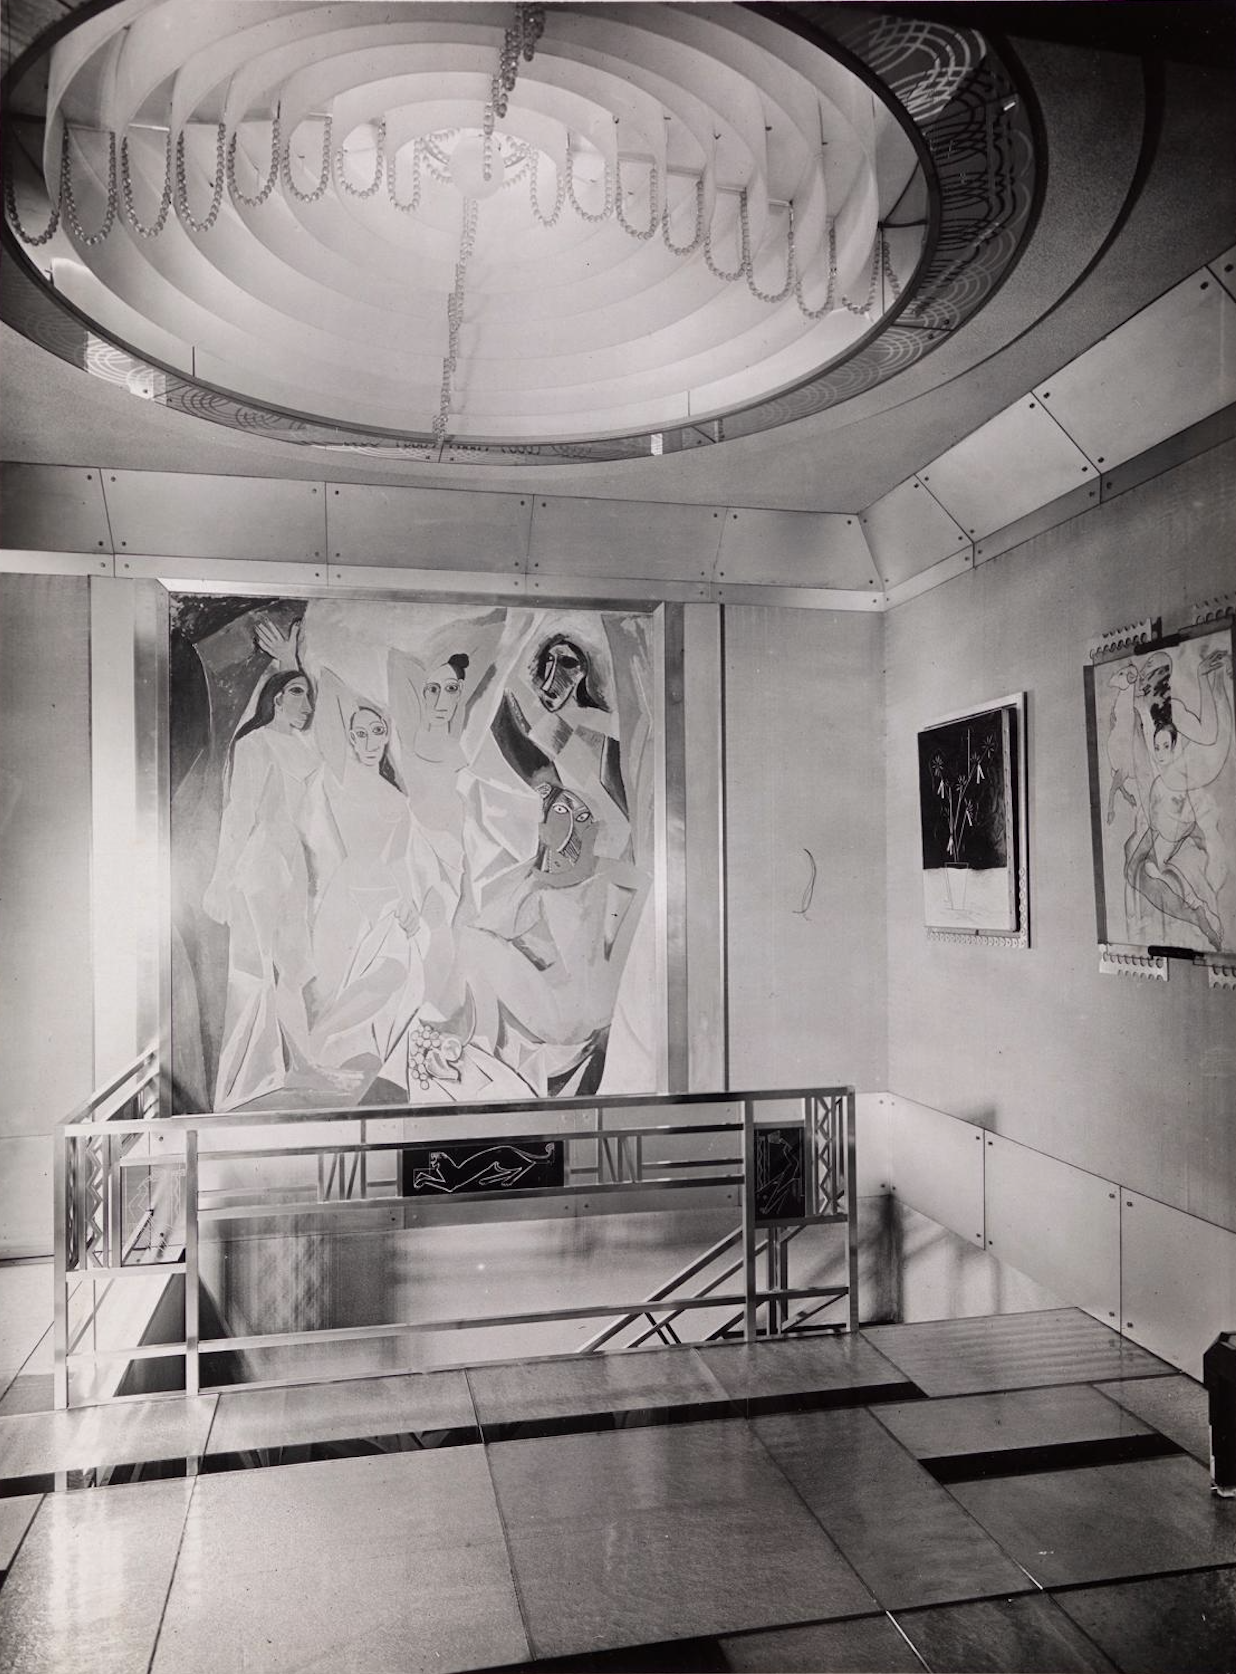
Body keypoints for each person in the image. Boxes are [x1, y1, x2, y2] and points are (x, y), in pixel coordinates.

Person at [202, 668, 319, 1109]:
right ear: (276, 698)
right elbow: (240, 812)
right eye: (297, 693)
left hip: (294, 866)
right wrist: (220, 879)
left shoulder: (304, 748)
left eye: (309, 695)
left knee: (293, 967)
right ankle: (245, 1080)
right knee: (253, 969)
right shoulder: (254, 744)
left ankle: (298, 1066)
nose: (307, 704)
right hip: (260, 867)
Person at [1123, 643, 1233, 950]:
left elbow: (1209, 733)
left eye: (1148, 679)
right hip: (1160, 806)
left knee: (1140, 869)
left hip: (1173, 811)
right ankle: (1195, 909)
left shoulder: (1176, 715)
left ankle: (1198, 911)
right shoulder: (1147, 713)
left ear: (1160, 679)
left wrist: (1202, 677)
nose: (1143, 686)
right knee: (1135, 869)